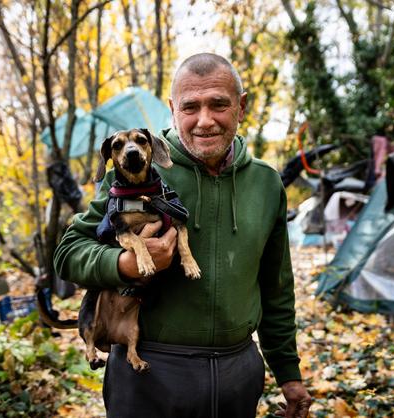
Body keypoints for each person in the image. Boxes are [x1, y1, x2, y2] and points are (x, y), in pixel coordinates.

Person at [54, 53, 312, 418]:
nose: (205, 121)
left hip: (237, 374)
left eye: (219, 105)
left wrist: (288, 374)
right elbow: (68, 252)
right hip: (147, 375)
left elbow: (277, 288)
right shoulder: (133, 174)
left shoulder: (266, 184)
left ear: (241, 107)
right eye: (191, 107)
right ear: (173, 110)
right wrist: (124, 263)